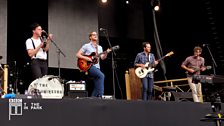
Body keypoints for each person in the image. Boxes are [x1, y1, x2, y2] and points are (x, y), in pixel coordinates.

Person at [76, 31, 110, 98]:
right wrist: (87, 58)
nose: (95, 35)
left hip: (97, 67)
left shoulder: (100, 47)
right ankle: (101, 96)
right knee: (101, 76)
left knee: (97, 86)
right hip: (89, 67)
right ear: (90, 37)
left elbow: (102, 58)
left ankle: (92, 99)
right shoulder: (86, 46)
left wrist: (106, 53)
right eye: (93, 35)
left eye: (96, 34)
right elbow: (78, 54)